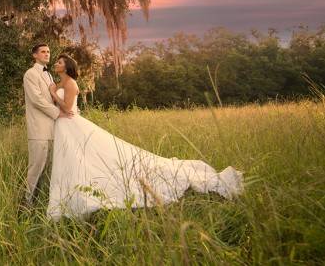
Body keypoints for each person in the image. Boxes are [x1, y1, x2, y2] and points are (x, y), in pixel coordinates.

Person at [46, 53, 243, 220]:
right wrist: (54, 90)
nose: (56, 63)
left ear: (68, 67)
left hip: (71, 124)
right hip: (63, 127)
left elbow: (68, 108)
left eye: (60, 62)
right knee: (73, 161)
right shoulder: (58, 83)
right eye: (56, 62)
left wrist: (53, 94)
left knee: (98, 157)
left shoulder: (70, 83)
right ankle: (71, 196)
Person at [23, 43, 73, 207]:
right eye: (43, 52)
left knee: (46, 170)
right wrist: (59, 113)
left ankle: (40, 202)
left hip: (53, 129)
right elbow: (37, 100)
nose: (47, 54)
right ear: (35, 55)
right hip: (38, 129)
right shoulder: (30, 74)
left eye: (48, 52)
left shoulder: (50, 75)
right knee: (36, 168)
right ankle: (26, 204)